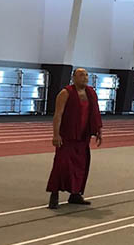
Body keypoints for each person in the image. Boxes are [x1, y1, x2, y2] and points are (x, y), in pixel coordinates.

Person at [46, 68, 103, 209]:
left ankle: (75, 194)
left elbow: (95, 113)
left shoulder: (91, 93)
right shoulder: (65, 93)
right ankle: (54, 194)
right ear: (74, 78)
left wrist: (98, 131)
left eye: (86, 75)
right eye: (81, 75)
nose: (84, 77)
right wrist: (56, 134)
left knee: (81, 167)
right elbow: (58, 115)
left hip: (83, 137)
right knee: (61, 165)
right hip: (67, 137)